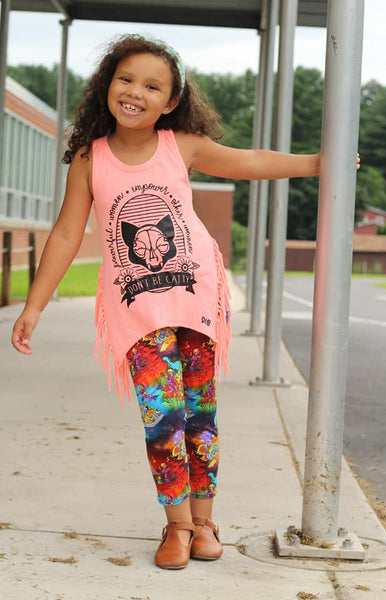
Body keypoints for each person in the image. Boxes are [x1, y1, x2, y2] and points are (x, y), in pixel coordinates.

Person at [11, 34, 322, 570]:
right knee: (163, 417)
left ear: (171, 101)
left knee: (200, 414)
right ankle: (177, 525)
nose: (135, 92)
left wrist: (318, 162)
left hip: (196, 298)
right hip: (136, 312)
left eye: (152, 87)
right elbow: (65, 233)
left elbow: (250, 160)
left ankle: (205, 523)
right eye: (126, 79)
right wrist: (34, 306)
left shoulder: (182, 144)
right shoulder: (89, 158)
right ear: (107, 85)